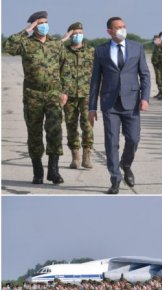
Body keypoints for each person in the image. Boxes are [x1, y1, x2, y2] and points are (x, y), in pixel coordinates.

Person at [88, 16, 151, 194]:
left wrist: (145, 98)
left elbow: (145, 75)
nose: (122, 29)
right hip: (110, 103)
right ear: (109, 31)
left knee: (133, 139)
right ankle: (115, 178)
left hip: (132, 102)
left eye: (124, 26)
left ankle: (126, 163)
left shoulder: (136, 48)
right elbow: (95, 81)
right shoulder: (101, 50)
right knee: (111, 141)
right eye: (118, 27)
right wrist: (91, 107)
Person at [3, 10, 67, 184]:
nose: (44, 25)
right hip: (33, 96)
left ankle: (53, 171)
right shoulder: (25, 44)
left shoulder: (56, 44)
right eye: (40, 23)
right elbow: (7, 46)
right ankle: (38, 171)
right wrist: (26, 30)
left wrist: (65, 91)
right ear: (34, 25)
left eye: (46, 22)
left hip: (54, 95)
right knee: (34, 134)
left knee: (55, 132)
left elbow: (65, 68)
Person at [60, 22, 96, 170]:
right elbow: (50, 49)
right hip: (68, 95)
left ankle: (87, 156)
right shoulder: (63, 51)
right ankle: (75, 156)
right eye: (74, 33)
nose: (77, 35)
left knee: (87, 126)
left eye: (79, 32)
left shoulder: (91, 51)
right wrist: (63, 39)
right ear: (69, 35)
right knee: (71, 125)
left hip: (87, 94)